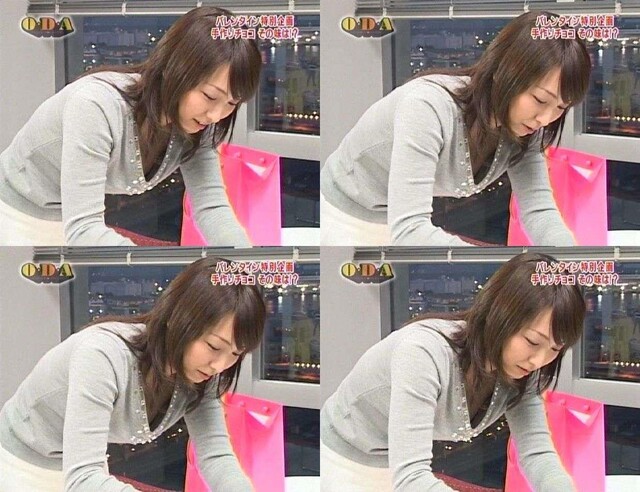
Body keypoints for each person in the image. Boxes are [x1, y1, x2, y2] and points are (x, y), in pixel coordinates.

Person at [320, 11, 592, 246]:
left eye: (560, 107)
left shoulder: (526, 129)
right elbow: (409, 231)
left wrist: (569, 259)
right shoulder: (427, 107)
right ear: (504, 73)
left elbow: (539, 211)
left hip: (404, 220)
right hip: (349, 211)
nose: (545, 118)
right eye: (540, 99)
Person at [321, 252, 586, 491]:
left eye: (555, 348)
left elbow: (537, 454)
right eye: (532, 341)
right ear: (499, 315)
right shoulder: (422, 353)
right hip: (343, 455)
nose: (539, 360)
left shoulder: (522, 372)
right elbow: (411, 478)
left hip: (398, 463)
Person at [0, 7, 261, 246]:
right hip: (15, 210)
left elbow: (212, 208)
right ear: (175, 70)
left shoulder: (200, 125)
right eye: (210, 96)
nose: (216, 115)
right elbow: (83, 229)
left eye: (231, 103)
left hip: (73, 219)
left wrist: (245, 263)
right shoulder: (95, 106)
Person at [0, 257, 266, 491]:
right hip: (19, 459)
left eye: (235, 353)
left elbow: (216, 457)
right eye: (213, 346)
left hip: (79, 467)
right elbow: (83, 480)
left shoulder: (201, 375)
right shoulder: (102, 355)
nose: (220, 365)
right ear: (178, 319)